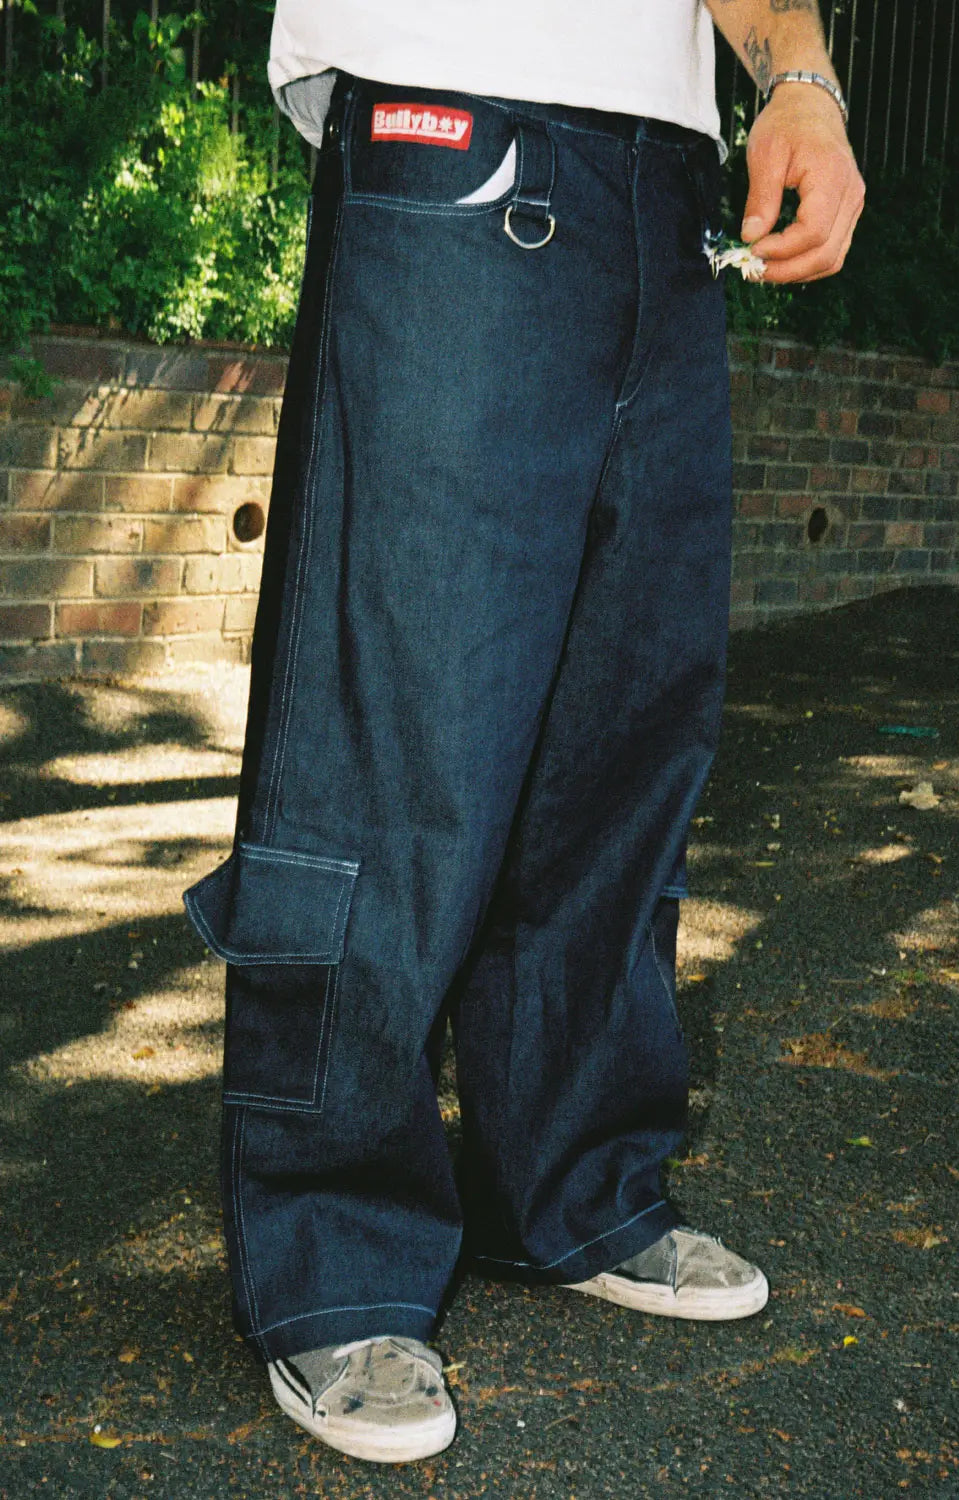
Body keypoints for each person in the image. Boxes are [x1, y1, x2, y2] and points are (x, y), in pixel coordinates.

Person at [183, 0, 863, 1466]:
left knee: (620, 724)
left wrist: (797, 79)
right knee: (401, 729)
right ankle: (333, 1252)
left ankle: (574, 1185)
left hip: (665, 178)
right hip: (457, 105)